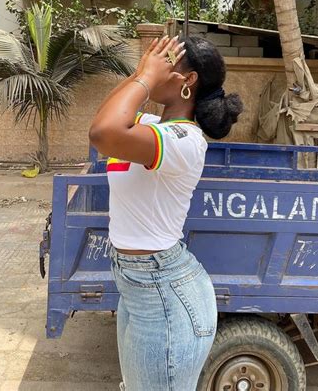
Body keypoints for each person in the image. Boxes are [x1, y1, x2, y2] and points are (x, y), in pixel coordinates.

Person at [89, 34, 243, 391]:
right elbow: (109, 115)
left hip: (163, 290)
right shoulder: (150, 125)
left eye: (166, 62)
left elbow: (102, 132)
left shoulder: (184, 141)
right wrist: (143, 73)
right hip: (139, 285)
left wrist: (144, 78)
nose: (155, 66)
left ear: (188, 81)